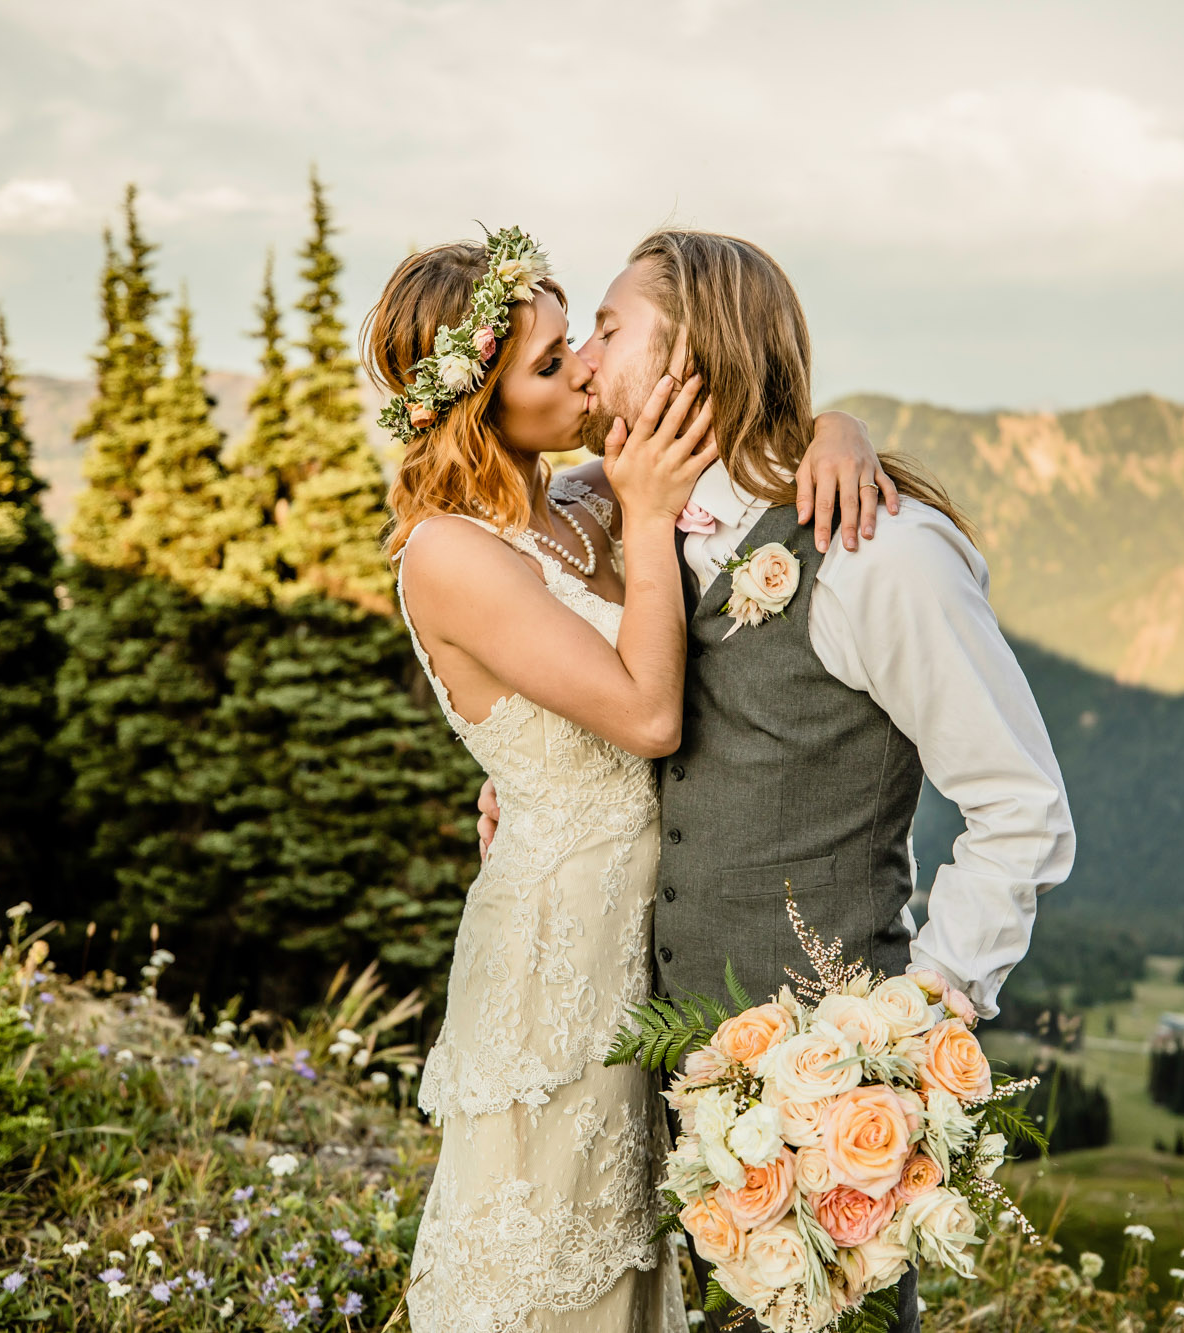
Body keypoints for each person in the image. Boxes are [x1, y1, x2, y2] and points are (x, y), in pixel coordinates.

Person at [365, 227, 896, 1333]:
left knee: (638, 1252)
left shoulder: (578, 500)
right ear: (478, 406)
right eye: (552, 364)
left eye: (579, 343)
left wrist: (837, 432)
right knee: (547, 1253)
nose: (586, 373)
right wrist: (648, 522)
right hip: (555, 952)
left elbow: (749, 437)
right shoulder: (447, 552)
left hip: (651, 934)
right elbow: (648, 715)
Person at [554, 229, 1076, 1333]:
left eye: (607, 329)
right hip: (660, 1108)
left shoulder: (878, 550)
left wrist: (911, 1034)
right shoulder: (624, 520)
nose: (585, 362)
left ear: (692, 347)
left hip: (825, 1129)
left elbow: (1017, 806)